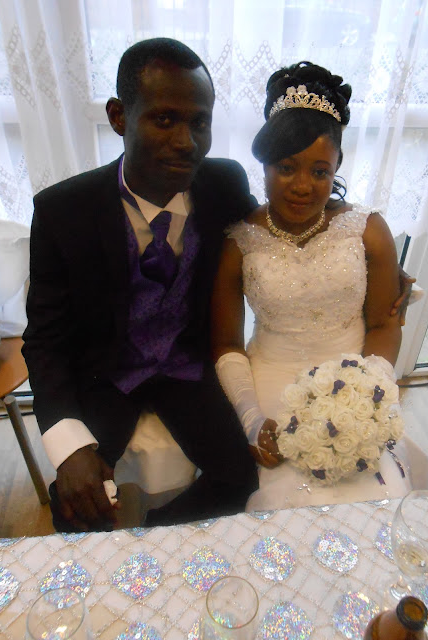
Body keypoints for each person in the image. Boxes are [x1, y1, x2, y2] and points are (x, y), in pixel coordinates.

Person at [22, 38, 260, 532]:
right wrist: (69, 448)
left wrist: (360, 244)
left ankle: (151, 542)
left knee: (239, 478)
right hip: (105, 373)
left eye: (199, 122)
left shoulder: (223, 184)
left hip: (185, 366)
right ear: (118, 117)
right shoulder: (63, 211)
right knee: (75, 505)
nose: (187, 142)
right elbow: (45, 340)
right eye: (165, 119)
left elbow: (273, 231)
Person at [211, 61, 413, 511]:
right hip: (272, 377)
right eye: (286, 167)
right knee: (285, 497)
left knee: (381, 494)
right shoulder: (239, 242)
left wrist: (371, 391)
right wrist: (251, 418)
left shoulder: (368, 230)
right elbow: (227, 344)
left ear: (337, 166)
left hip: (357, 374)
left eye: (320, 171)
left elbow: (384, 324)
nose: (302, 186)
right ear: (265, 163)